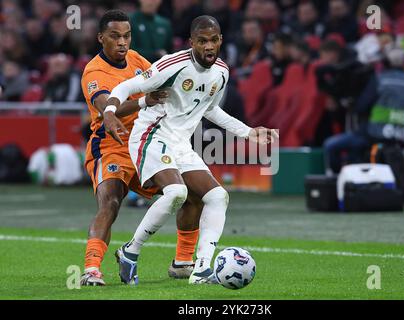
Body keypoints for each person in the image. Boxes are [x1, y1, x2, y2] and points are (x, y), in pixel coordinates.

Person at [103, 15, 276, 284]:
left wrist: (249, 132)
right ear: (191, 42)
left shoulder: (222, 71)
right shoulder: (172, 65)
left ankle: (202, 269)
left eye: (214, 40)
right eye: (202, 41)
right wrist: (110, 111)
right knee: (177, 192)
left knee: (218, 196)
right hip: (151, 135)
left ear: (220, 40)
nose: (209, 46)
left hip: (181, 143)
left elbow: (211, 109)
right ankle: (131, 251)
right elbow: (127, 86)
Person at [79, 10, 201, 286]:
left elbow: (163, 79)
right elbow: (107, 107)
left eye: (127, 36)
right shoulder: (94, 72)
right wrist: (145, 101)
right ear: (101, 38)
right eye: (115, 36)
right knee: (110, 202)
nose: (122, 42)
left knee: (194, 193)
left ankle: (182, 263)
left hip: (145, 144)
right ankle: (91, 270)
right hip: (112, 146)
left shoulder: (137, 60)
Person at [324, 46, 404, 175]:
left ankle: (339, 178)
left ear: (385, 62)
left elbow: (362, 106)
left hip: (375, 135)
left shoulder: (380, 79)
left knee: (331, 145)